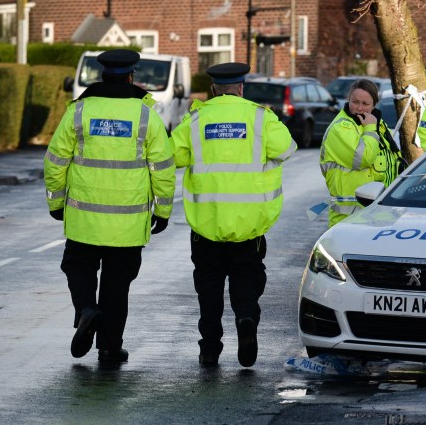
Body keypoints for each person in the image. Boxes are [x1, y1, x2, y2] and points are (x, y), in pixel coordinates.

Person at [44, 48, 175, 366]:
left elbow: (55, 161)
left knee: (77, 266)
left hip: (84, 218)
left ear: (102, 75)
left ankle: (87, 308)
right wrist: (163, 211)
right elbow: (163, 168)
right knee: (117, 285)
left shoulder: (79, 110)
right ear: (132, 76)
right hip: (128, 223)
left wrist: (57, 203)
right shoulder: (146, 115)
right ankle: (109, 347)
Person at [170, 62, 295, 368]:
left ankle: (210, 349)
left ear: (213, 89)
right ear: (241, 88)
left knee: (208, 291)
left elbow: (173, 156)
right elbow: (288, 148)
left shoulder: (195, 119)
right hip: (248, 226)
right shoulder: (259, 117)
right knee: (247, 281)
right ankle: (246, 318)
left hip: (206, 226)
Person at [319, 79, 404, 227]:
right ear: (348, 100)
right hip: (348, 219)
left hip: (377, 215)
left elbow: (393, 162)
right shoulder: (341, 128)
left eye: (365, 104)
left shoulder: (379, 125)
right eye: (355, 102)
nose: (359, 108)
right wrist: (370, 128)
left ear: (374, 105)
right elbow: (364, 158)